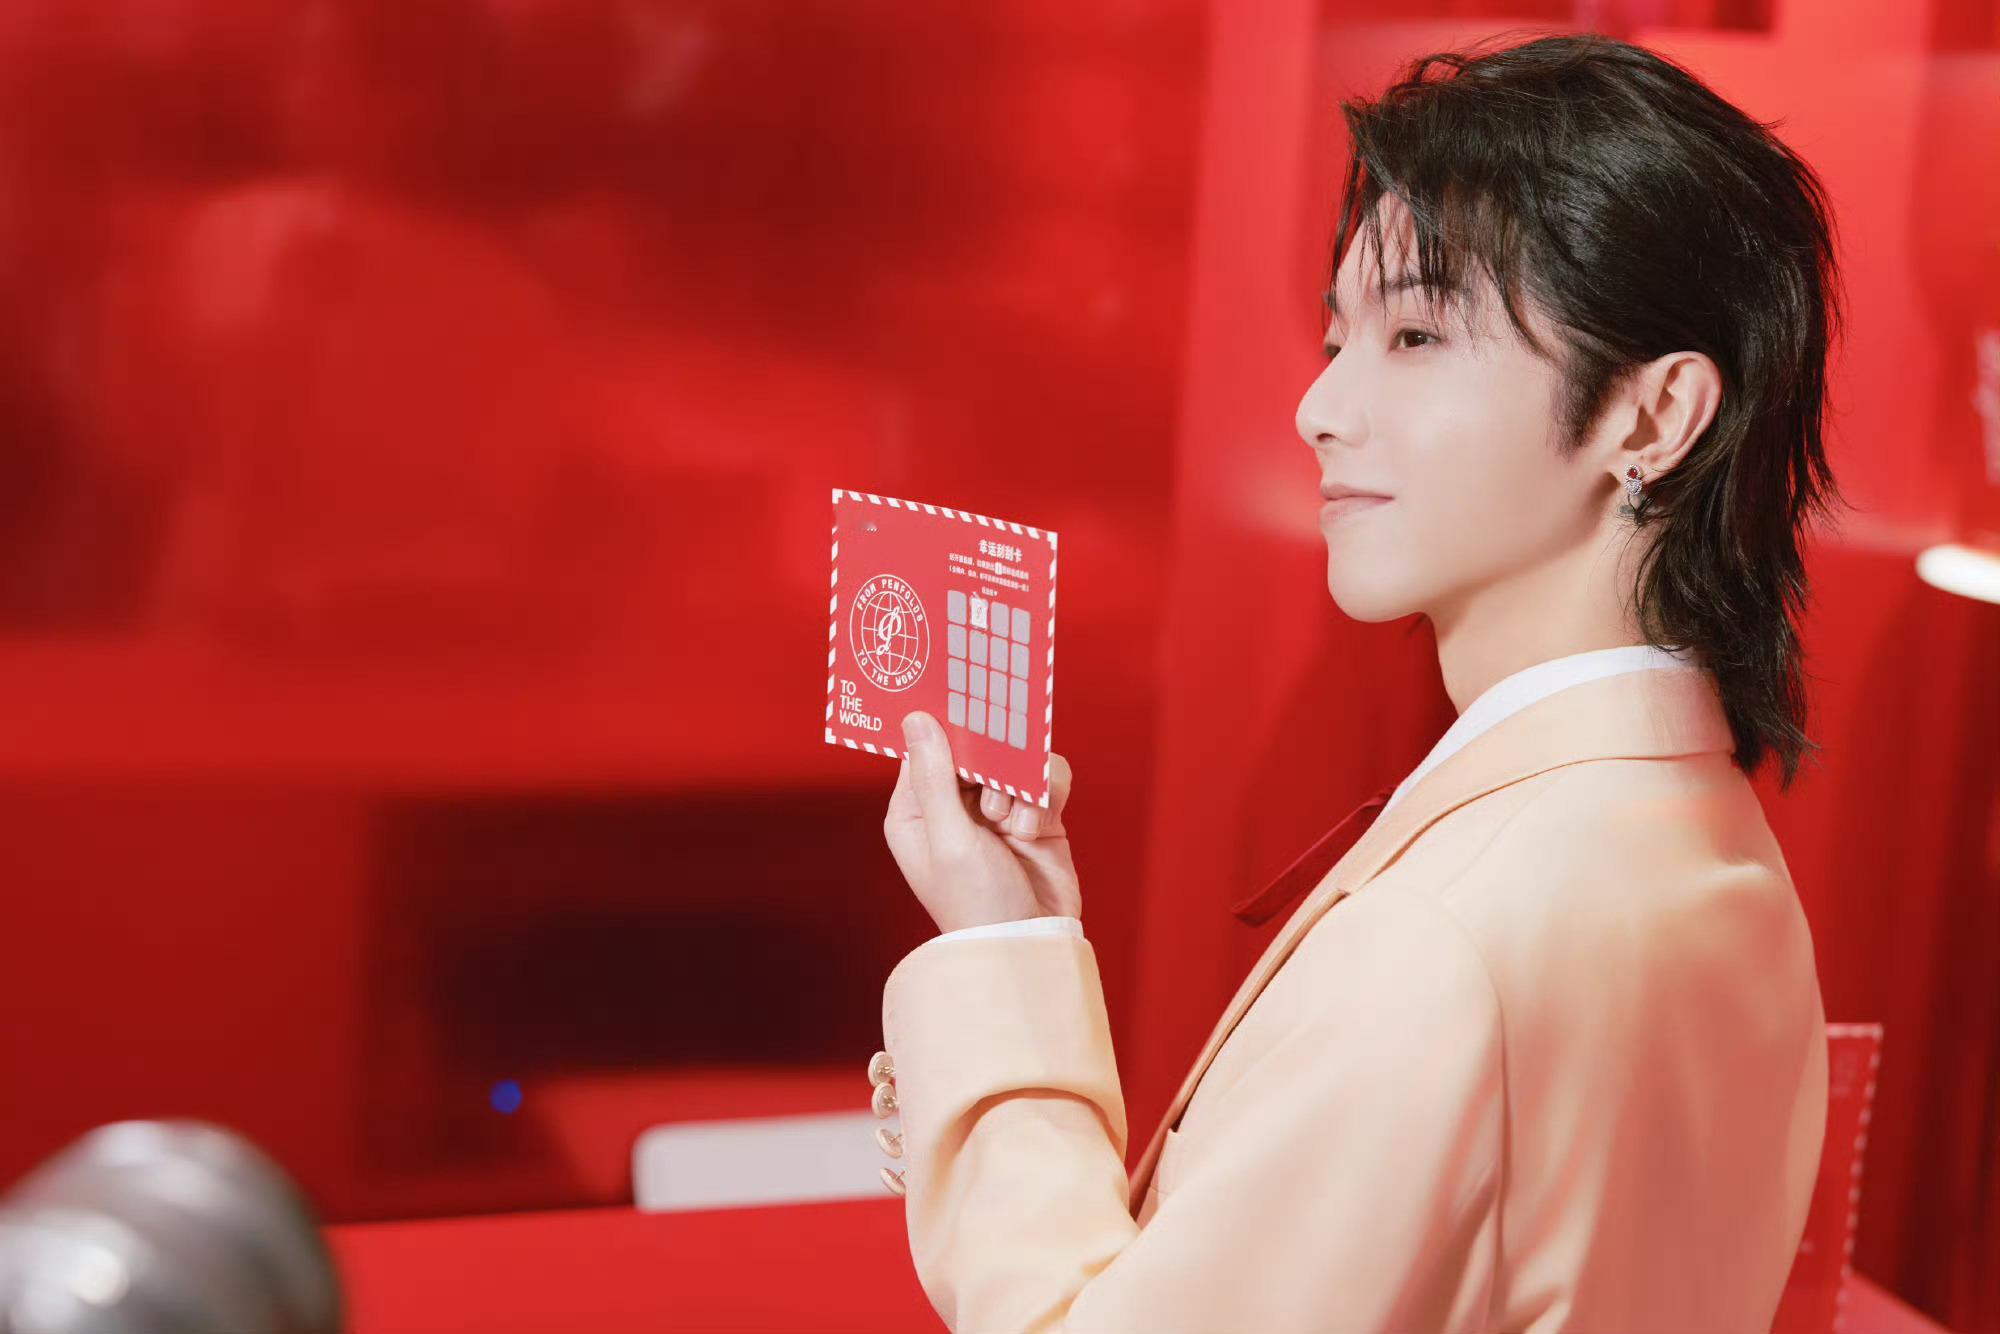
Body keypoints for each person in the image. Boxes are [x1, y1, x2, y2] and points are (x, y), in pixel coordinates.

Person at [871, 29, 1844, 1333]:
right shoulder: (1714, 849)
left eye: (1418, 334)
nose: (1320, 406)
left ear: (1654, 416)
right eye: (1341, 335)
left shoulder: (1447, 940)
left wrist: (995, 957)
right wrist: (1026, 941)